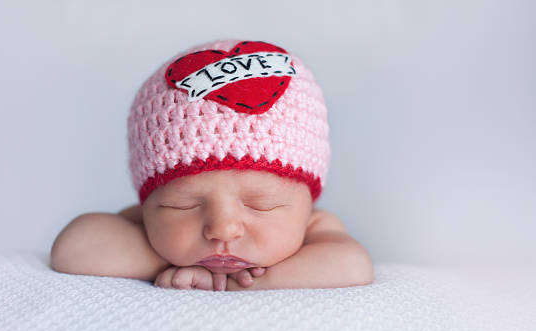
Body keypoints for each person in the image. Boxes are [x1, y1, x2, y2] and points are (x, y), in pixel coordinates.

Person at [50, 39, 374, 291]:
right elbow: (74, 248)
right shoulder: (147, 227)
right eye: (183, 205)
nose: (222, 229)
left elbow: (353, 265)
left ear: (308, 203)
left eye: (261, 205)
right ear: (147, 203)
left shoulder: (317, 228)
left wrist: (239, 283)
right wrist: (165, 259)